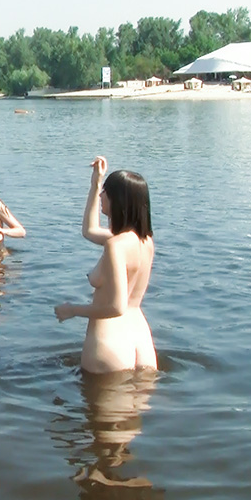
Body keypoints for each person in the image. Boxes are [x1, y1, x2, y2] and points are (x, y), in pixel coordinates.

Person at [54, 156, 157, 374]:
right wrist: (95, 182)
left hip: (110, 342)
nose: (101, 196)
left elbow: (116, 306)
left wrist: (72, 310)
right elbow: (89, 230)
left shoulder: (115, 245)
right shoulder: (145, 241)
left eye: (105, 192)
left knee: (96, 407)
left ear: (118, 200)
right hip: (141, 339)